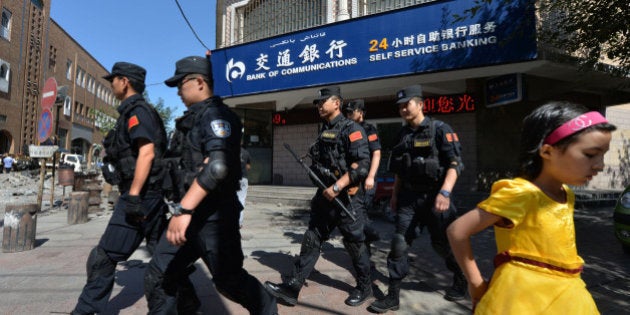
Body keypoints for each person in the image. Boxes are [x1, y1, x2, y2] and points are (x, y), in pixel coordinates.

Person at [447, 102, 615, 314]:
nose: (600, 165)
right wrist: (476, 283)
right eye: (591, 154)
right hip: (521, 298)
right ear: (547, 151)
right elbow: (457, 231)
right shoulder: (520, 194)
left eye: (603, 155)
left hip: (569, 294)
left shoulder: (566, 193)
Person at [144, 55, 278, 315]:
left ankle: (267, 308)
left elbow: (217, 167)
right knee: (159, 276)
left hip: (215, 219)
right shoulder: (192, 119)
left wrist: (183, 211)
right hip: (190, 217)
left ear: (199, 82)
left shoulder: (217, 116)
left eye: (181, 85)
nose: (179, 92)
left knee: (229, 282)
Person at [72, 62, 178, 314]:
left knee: (104, 257)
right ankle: (188, 305)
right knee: (166, 262)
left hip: (139, 197)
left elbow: (146, 153)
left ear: (125, 81)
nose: (111, 84)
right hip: (148, 195)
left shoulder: (137, 112)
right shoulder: (133, 112)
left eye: (114, 80)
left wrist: (132, 196)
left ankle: (85, 311)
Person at [264, 86, 374, 307]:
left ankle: (365, 287)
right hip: (325, 196)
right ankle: (293, 286)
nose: (319, 105)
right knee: (312, 238)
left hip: (347, 199)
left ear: (337, 103)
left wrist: (337, 187)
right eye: (318, 102)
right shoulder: (325, 130)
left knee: (354, 244)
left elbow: (362, 165)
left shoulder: (352, 129)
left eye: (324, 101)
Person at [368, 85, 466, 313]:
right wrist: (394, 195)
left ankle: (460, 278)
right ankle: (392, 297)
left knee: (441, 245)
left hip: (436, 197)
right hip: (408, 199)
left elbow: (455, 164)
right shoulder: (403, 135)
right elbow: (400, 171)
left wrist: (445, 192)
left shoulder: (440, 129)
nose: (403, 109)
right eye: (400, 106)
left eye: (407, 104)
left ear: (420, 104)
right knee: (399, 244)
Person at [343, 99, 382, 253]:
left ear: (360, 112)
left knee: (362, 213)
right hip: (352, 178)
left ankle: (365, 251)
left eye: (351, 112)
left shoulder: (368, 129)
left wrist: (371, 177)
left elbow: (377, 154)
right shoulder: (347, 129)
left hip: (366, 180)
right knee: (355, 214)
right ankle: (361, 247)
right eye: (346, 112)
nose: (348, 115)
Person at [238, 145, 251, 228]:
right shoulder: (246, 153)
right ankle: (239, 222)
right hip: (243, 178)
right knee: (241, 199)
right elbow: (248, 167)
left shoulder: (230, 151)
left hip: (233, 178)